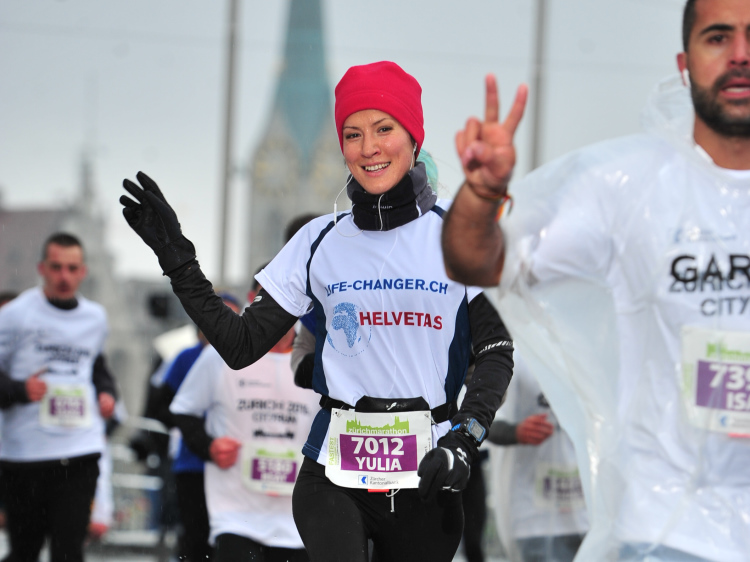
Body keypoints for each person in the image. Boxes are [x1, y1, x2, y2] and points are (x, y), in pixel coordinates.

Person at [119, 60, 515, 562]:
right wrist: (180, 264)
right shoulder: (317, 241)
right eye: (352, 134)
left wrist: (465, 437)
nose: (368, 148)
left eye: (384, 129)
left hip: (427, 477)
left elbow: (496, 350)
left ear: (414, 138)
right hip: (332, 476)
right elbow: (241, 346)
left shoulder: (457, 237)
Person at [441, 0, 750, 560]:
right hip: (669, 534)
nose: (741, 54)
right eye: (718, 37)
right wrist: (483, 194)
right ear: (684, 65)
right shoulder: (628, 189)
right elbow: (477, 262)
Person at [170, 275, 318, 562]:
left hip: (297, 519)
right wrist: (208, 446)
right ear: (253, 299)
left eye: (288, 296)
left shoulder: (315, 361)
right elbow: (183, 409)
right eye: (270, 296)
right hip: (235, 514)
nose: (279, 306)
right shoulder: (220, 355)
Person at [0, 232, 117, 562]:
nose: (64, 276)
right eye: (56, 267)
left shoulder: (95, 318)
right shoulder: (15, 314)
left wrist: (107, 393)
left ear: (83, 272)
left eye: (72, 268)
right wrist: (19, 390)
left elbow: (96, 366)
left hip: (79, 452)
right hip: (25, 455)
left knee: (68, 552)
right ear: (42, 269)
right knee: (25, 552)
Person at [154, 292, 240, 562]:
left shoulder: (245, 359)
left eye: (230, 318)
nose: (221, 325)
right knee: (195, 540)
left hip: (234, 466)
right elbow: (162, 407)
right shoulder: (186, 358)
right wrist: (197, 428)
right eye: (216, 317)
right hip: (193, 464)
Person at [488, 353, 587, 562]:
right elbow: (486, 422)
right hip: (533, 517)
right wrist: (517, 432)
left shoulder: (582, 353)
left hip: (585, 514)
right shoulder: (517, 356)